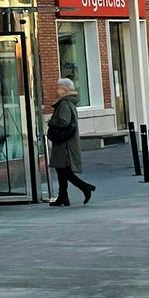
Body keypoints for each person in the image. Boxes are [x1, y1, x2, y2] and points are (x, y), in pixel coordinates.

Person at [46, 78, 94, 206]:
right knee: (61, 170)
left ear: (65, 89)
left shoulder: (64, 104)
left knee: (64, 171)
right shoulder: (68, 103)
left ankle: (85, 188)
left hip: (64, 144)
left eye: (58, 87)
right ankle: (63, 197)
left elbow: (64, 121)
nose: (56, 90)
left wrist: (51, 122)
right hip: (65, 142)